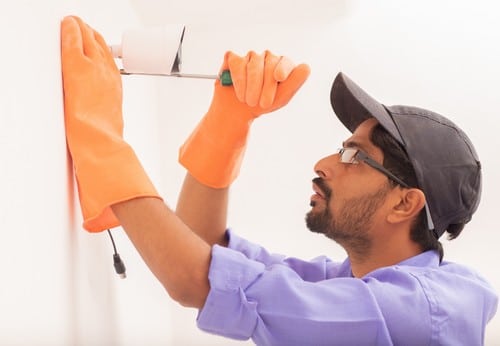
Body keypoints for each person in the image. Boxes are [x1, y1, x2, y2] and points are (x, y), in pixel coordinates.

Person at [61, 15, 497, 345]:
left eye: (355, 155)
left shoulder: (414, 309)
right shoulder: (354, 282)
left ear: (405, 204)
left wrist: (101, 137)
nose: (325, 163)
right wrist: (227, 124)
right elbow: (204, 251)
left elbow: (194, 280)